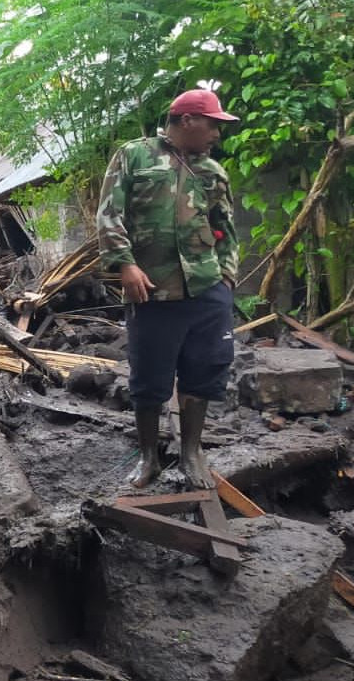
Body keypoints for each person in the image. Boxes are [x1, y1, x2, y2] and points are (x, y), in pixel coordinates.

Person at [96, 88, 239, 489]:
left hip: (207, 289)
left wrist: (226, 278)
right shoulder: (134, 155)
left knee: (205, 370)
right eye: (213, 125)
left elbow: (225, 228)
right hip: (152, 291)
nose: (217, 135)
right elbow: (108, 213)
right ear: (187, 121)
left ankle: (192, 453)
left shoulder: (212, 171)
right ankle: (149, 459)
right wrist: (125, 264)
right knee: (149, 379)